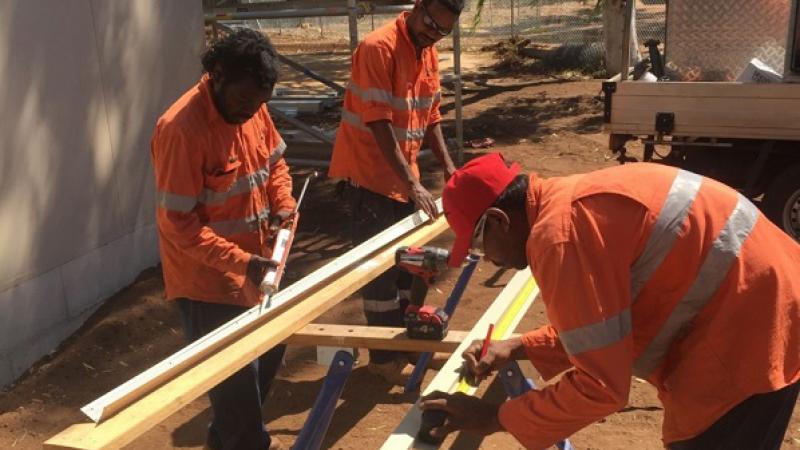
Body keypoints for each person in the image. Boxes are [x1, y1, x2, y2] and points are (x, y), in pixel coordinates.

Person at [421, 152, 800, 449]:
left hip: (751, 333)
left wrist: (493, 417)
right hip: (770, 301)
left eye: (477, 243)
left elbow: (601, 386)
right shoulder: (570, 203)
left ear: (500, 220)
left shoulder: (560, 237)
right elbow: (605, 326)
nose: (487, 258)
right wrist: (518, 346)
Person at [150, 29, 294, 450]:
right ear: (216, 75)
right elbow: (178, 224)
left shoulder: (252, 108)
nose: (251, 112)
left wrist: (283, 203)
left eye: (260, 104)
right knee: (241, 412)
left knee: (265, 360)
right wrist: (241, 262)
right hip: (208, 285)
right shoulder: (180, 130)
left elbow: (276, 164)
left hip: (259, 268)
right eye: (244, 102)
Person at [327, 0, 464, 383]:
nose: (433, 34)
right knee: (380, 276)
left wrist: (449, 167)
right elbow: (378, 121)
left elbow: (431, 113)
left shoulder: (428, 51)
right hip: (369, 178)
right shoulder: (378, 48)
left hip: (404, 177)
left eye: (442, 31)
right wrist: (413, 183)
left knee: (410, 267)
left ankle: (405, 346)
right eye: (430, 24)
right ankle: (385, 360)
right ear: (418, 7)